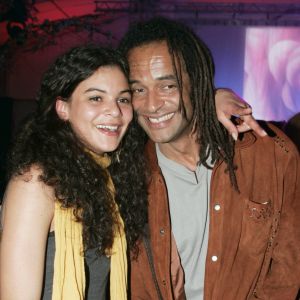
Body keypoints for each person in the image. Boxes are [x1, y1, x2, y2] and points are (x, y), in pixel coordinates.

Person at [118, 17, 300, 299]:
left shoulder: (269, 155)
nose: (151, 104)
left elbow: (288, 268)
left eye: (168, 86)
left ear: (197, 82)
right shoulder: (125, 177)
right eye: (138, 90)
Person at [0, 45, 149, 300]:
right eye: (96, 98)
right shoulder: (36, 183)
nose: (115, 111)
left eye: (122, 99)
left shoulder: (106, 177)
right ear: (63, 108)